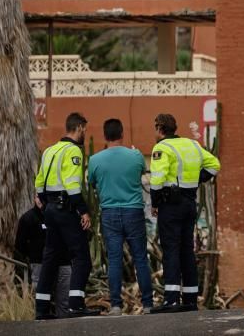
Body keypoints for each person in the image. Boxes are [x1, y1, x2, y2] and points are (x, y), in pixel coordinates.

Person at [148, 113, 221, 313]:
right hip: (190, 204)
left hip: (170, 206)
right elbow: (215, 165)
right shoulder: (193, 145)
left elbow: (157, 179)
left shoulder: (162, 148)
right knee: (187, 251)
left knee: (171, 250)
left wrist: (154, 203)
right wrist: (197, 180)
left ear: (159, 127)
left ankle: (171, 300)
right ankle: (190, 299)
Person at [34, 112, 99, 319]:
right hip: (66, 210)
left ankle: (42, 309)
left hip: (51, 210)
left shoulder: (50, 151)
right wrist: (84, 210)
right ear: (79, 127)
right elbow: (72, 185)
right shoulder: (73, 151)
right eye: (84, 130)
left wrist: (45, 206)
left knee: (50, 259)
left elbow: (39, 182)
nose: (84, 134)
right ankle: (76, 305)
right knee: (82, 258)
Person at [88, 118, 154, 315]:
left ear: (104, 136)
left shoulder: (94, 160)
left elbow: (92, 183)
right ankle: (149, 304)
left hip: (109, 213)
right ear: (122, 134)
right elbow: (142, 173)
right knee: (141, 258)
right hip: (133, 211)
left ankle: (115, 305)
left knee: (114, 260)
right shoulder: (135, 156)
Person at [14, 194, 72, 318]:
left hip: (63, 263)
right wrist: (33, 256)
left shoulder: (63, 215)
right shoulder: (27, 218)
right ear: (34, 198)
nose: (40, 200)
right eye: (36, 196)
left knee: (64, 299)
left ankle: (66, 326)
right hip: (39, 264)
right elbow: (20, 244)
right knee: (41, 299)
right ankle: (42, 326)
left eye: (43, 196)